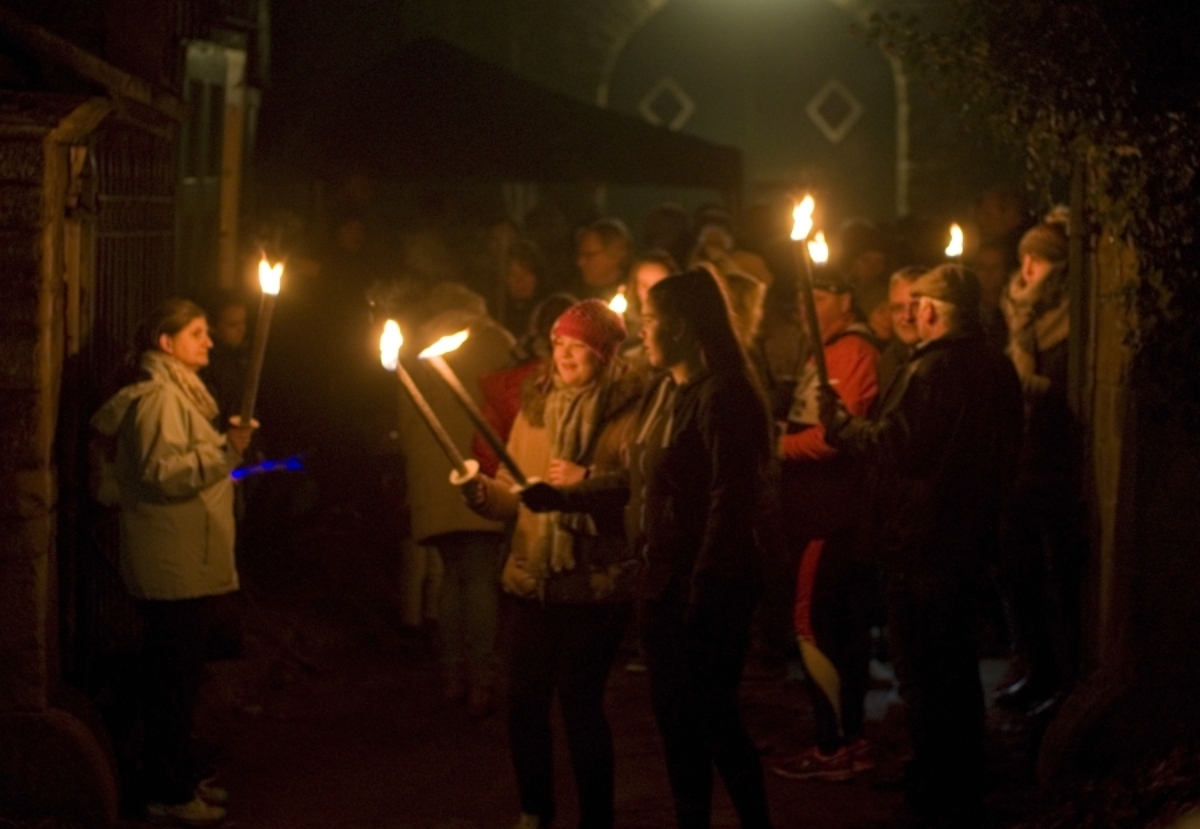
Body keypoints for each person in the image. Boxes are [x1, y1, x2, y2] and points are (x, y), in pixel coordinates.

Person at [524, 268, 774, 829]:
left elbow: (729, 502)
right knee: (677, 724)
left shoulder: (724, 397)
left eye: (651, 320)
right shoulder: (668, 392)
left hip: (704, 586)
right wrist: (565, 497)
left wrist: (704, 587)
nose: (641, 331)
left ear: (681, 326)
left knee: (714, 718)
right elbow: (643, 484)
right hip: (662, 582)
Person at [819, 264, 1023, 828]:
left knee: (926, 674)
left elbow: (897, 445)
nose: (911, 314)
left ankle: (940, 786)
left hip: (924, 541)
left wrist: (841, 426)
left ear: (931, 310)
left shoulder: (933, 370)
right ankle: (957, 776)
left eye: (917, 305)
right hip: (966, 539)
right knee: (954, 669)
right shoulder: (997, 365)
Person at [462, 299, 645, 829]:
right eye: (559, 344)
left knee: (580, 706)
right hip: (532, 577)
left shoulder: (629, 413)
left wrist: (585, 484)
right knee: (524, 704)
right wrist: (480, 493)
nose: (564, 356)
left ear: (605, 355)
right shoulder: (536, 408)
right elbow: (513, 494)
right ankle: (534, 811)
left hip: (592, 581)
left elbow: (641, 491)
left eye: (579, 347)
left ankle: (596, 818)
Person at [91, 298, 255, 826]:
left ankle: (177, 776)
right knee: (171, 684)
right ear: (167, 343)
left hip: (185, 561)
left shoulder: (181, 394)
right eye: (197, 333)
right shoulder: (161, 398)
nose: (209, 341)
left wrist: (225, 446)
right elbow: (163, 473)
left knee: (179, 680)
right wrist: (224, 451)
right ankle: (166, 790)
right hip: (172, 564)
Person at [771, 268, 880, 782]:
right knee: (831, 624)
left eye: (816, 296)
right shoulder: (824, 350)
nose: (804, 306)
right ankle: (844, 737)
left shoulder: (854, 350)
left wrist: (780, 447)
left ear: (845, 299)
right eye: (801, 296)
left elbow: (838, 433)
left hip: (828, 512)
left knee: (812, 622)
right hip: (812, 508)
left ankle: (835, 742)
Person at [394, 282, 515, 716]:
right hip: (480, 473)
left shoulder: (412, 349)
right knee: (480, 576)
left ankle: (452, 676)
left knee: (451, 577)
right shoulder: (492, 339)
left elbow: (406, 419)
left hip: (434, 479)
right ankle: (480, 677)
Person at [994, 219, 1084, 713]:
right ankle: (1036, 668)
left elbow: (1068, 391)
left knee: (1059, 575)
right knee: (1016, 570)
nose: (1027, 267)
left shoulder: (1072, 322)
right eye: (1025, 256)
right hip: (1021, 460)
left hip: (1055, 462)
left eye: (1040, 258)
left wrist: (1028, 386)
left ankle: (1064, 679)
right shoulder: (1017, 313)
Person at [574, 218, 632, 301]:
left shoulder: (634, 297)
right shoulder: (574, 297)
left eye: (589, 255)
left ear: (615, 253)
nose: (580, 262)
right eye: (580, 254)